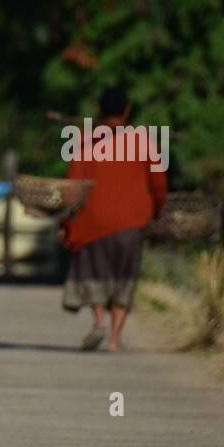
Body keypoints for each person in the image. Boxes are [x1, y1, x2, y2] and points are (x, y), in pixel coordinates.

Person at [58, 87, 168, 351]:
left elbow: (73, 188)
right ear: (127, 110)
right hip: (132, 221)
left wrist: (67, 223)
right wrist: (157, 211)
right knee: (124, 278)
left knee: (97, 274)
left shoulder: (85, 141)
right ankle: (116, 340)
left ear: (100, 110)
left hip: (93, 221)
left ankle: (99, 322)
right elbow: (158, 183)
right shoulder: (143, 141)